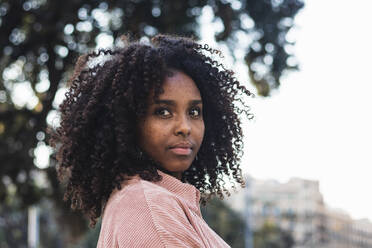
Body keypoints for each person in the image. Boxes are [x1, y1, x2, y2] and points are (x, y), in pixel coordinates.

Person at [48, 34, 252, 247]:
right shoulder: (150, 207)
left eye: (194, 111)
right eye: (163, 112)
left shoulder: (159, 200)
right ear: (128, 122)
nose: (185, 127)